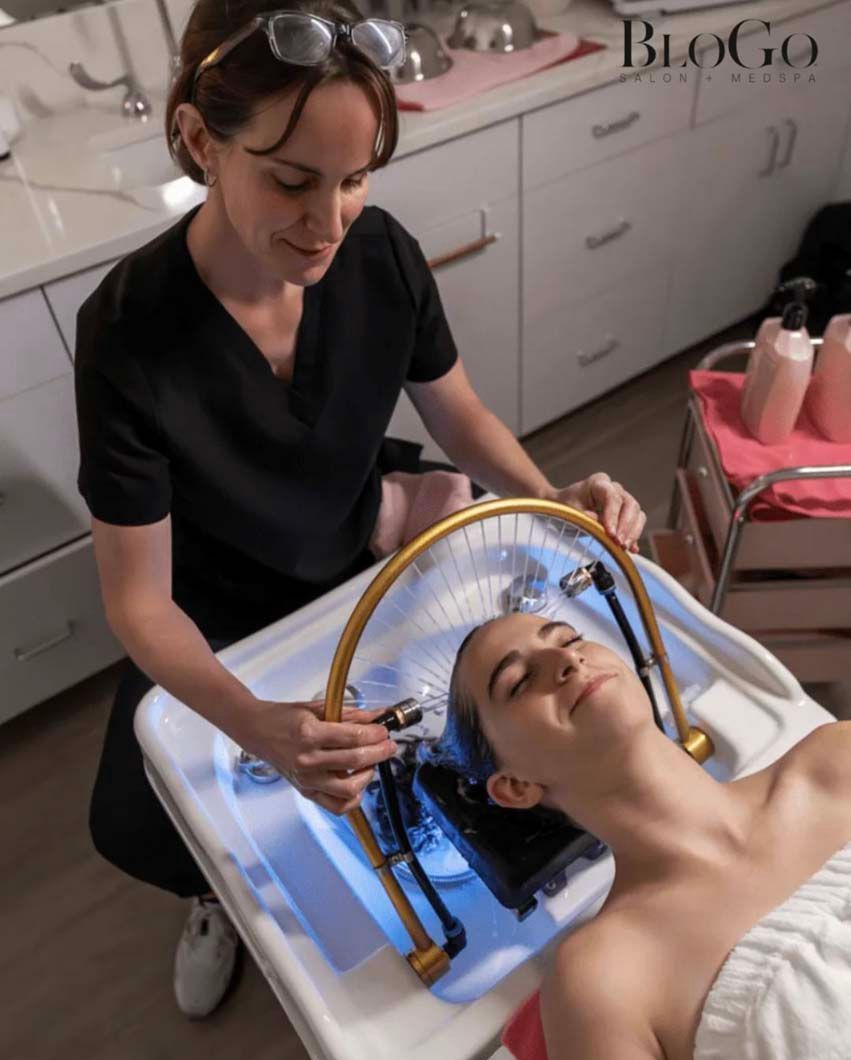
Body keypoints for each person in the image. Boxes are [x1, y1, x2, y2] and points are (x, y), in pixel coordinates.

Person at [74, 0, 648, 1021]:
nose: (326, 222)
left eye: (353, 178)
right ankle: (214, 894)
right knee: (133, 818)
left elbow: (460, 415)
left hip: (358, 543)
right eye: (291, 181)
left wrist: (554, 501)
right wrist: (257, 725)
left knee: (426, 756)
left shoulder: (377, 256)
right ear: (201, 140)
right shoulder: (130, 334)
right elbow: (138, 605)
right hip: (219, 608)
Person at [436, 612, 851, 1060]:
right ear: (516, 787)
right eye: (518, 682)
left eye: (570, 637)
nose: (566, 659)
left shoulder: (833, 760)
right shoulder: (602, 979)